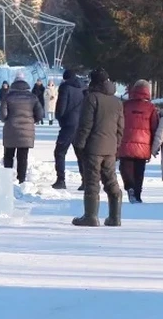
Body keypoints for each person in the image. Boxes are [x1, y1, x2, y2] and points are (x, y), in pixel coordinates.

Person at [72, 69, 124, 227]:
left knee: (92, 181)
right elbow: (120, 127)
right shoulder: (117, 101)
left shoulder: (91, 98)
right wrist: (116, 145)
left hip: (93, 147)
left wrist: (79, 144)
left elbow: (85, 125)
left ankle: (91, 216)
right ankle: (115, 217)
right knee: (111, 180)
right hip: (110, 148)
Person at [118, 80, 158, 203]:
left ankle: (129, 186)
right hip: (144, 144)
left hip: (126, 141)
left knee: (125, 167)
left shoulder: (126, 105)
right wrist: (154, 145)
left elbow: (118, 122)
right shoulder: (151, 108)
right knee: (139, 170)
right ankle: (138, 194)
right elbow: (154, 126)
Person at [0, 73, 43, 183]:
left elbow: (2, 115)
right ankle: (21, 179)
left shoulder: (8, 97)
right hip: (26, 131)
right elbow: (40, 114)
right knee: (23, 157)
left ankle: (7, 179)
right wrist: (32, 121)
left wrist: (8, 120)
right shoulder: (32, 97)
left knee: (8, 155)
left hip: (10, 129)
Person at [51, 69, 86, 190]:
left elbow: (61, 107)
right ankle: (85, 180)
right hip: (81, 124)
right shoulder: (83, 87)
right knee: (81, 153)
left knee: (59, 152)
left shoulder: (65, 87)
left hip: (68, 124)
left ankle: (61, 180)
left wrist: (59, 117)